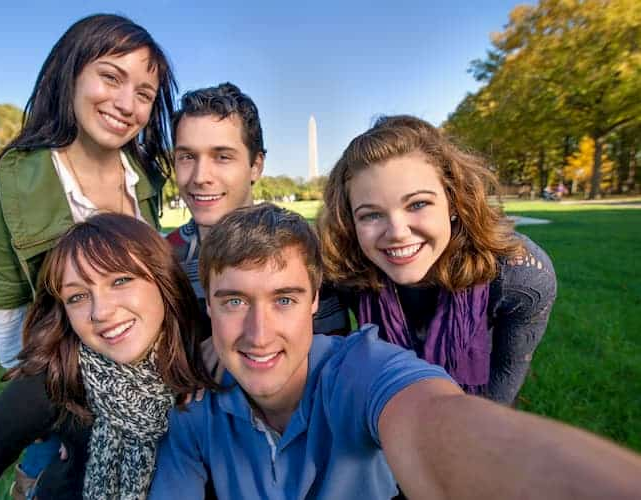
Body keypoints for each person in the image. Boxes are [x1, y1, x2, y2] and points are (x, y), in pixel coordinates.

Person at [149, 203, 641, 500]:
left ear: (315, 300)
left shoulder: (363, 370)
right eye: (234, 301)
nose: (258, 333)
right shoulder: (197, 406)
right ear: (207, 308)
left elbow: (437, 422)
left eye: (284, 299)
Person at [0, 13, 176, 488]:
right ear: (70, 75)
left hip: (149, 391)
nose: (127, 104)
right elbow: (4, 315)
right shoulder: (11, 188)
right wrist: (51, 411)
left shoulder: (144, 180)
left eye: (144, 94)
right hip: (69, 396)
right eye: (111, 77)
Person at [0, 213, 216, 499]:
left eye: (120, 281)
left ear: (162, 278)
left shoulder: (214, 344)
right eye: (77, 297)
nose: (101, 312)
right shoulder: (57, 376)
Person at [319, 115, 556, 405]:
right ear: (349, 222)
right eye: (371, 214)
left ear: (454, 201)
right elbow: (331, 380)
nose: (397, 233)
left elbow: (504, 385)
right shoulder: (340, 267)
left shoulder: (519, 275)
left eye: (418, 204)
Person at [165, 82, 348, 336]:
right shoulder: (163, 260)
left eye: (222, 157)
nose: (200, 176)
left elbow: (331, 354)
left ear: (256, 166)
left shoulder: (304, 251)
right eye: (187, 157)